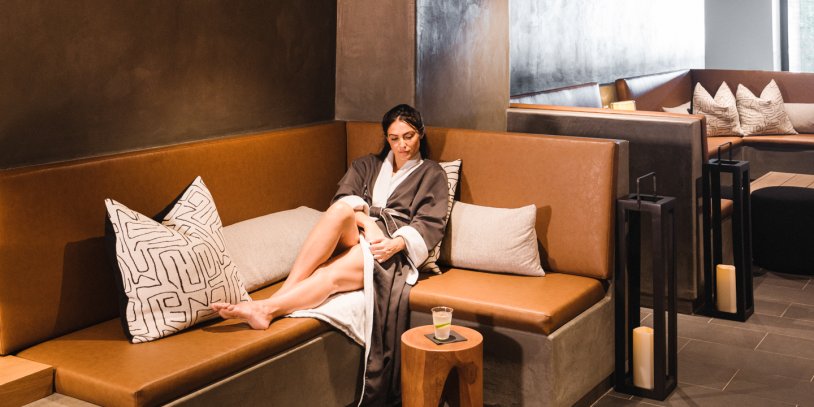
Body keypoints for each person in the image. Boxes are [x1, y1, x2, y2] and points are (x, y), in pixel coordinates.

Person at [212, 104, 450, 405]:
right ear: (385, 138)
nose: (402, 145)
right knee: (339, 209)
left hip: (388, 246)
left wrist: (396, 243)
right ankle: (280, 297)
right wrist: (366, 223)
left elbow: (430, 223)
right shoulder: (367, 165)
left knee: (329, 275)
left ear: (421, 133)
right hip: (360, 232)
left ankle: (268, 309)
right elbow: (342, 201)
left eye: (409, 136)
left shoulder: (432, 173)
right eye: (394, 138)